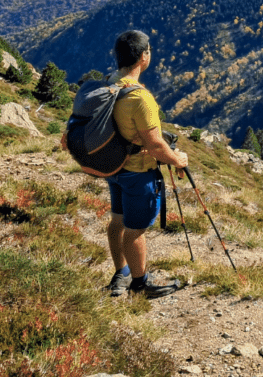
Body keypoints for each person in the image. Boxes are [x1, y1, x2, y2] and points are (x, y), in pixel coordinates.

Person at [65, 30, 189, 298]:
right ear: (144, 57)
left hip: (113, 167)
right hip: (137, 172)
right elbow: (156, 145)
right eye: (149, 51)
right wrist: (178, 159)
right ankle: (140, 284)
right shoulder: (140, 98)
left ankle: (120, 274)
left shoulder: (109, 83)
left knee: (117, 221)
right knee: (135, 230)